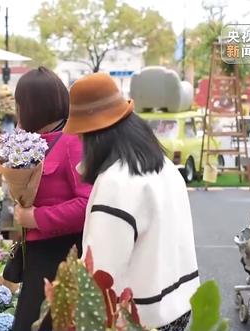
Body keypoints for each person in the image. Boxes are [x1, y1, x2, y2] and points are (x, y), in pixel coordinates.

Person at [63, 73, 199, 330]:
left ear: (94, 136)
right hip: (179, 303)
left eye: (81, 135)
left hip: (139, 316)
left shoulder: (116, 182)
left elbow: (102, 271)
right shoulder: (163, 166)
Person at [11, 67, 92, 331]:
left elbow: (88, 204)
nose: (17, 110)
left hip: (60, 255)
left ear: (33, 106)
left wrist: (34, 217)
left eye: (19, 103)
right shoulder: (33, 142)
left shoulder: (72, 142)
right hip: (35, 256)